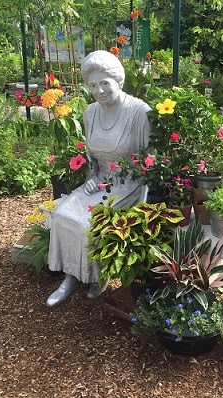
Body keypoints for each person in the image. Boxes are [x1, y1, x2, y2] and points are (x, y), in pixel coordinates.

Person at [46, 50, 151, 307]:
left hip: (129, 183)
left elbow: (150, 161)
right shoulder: (90, 113)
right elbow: (90, 155)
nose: (99, 90)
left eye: (104, 83)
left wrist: (144, 206)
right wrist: (91, 176)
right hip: (100, 180)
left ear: (118, 80)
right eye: (93, 85)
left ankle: (96, 276)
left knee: (87, 224)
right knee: (62, 215)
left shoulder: (140, 112)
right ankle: (71, 276)